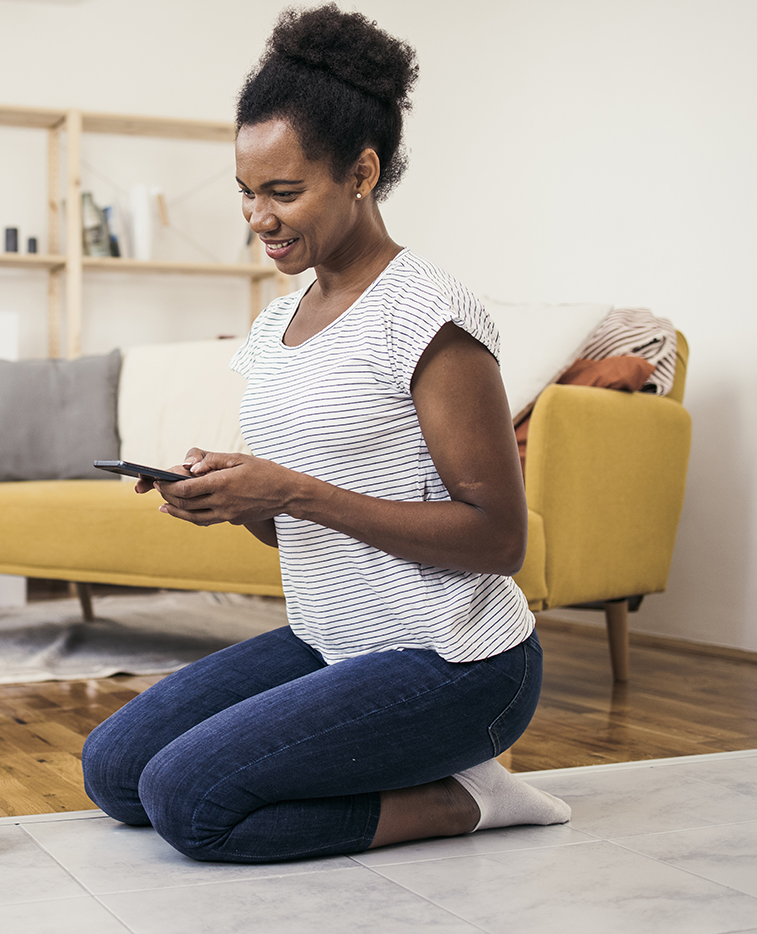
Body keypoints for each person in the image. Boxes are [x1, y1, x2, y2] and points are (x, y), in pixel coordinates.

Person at [80, 5, 571, 863]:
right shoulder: (277, 326)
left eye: (283, 191)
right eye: (245, 190)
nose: (257, 217)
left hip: (456, 663)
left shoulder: (429, 316)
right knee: (116, 771)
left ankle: (468, 799)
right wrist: (234, 498)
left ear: (361, 173)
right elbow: (299, 523)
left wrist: (291, 488)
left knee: (188, 802)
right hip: (333, 640)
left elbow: (499, 541)